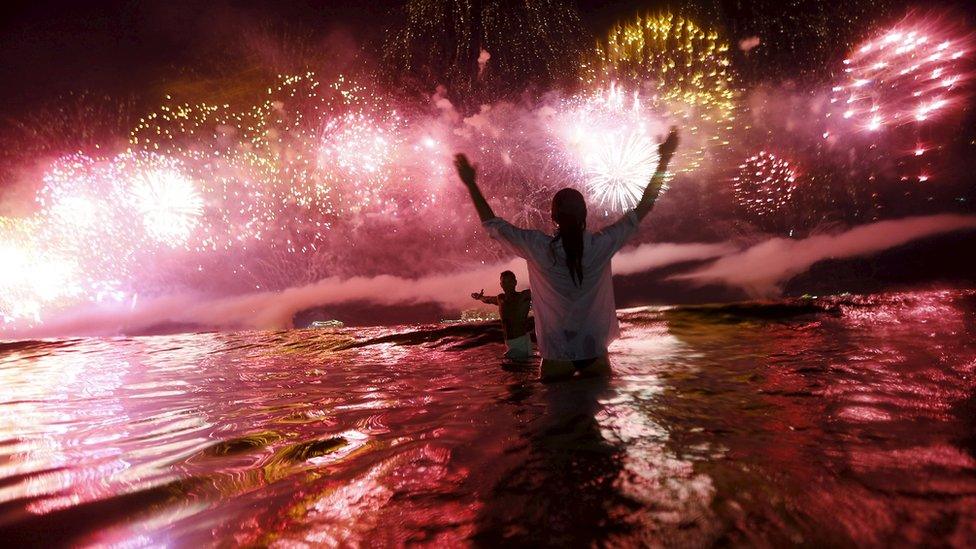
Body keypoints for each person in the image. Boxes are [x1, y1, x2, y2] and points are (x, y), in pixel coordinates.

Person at [454, 126, 679, 382]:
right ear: (584, 215)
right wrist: (665, 159)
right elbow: (644, 206)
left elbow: (493, 226)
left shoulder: (538, 247)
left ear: (553, 216)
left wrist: (471, 183)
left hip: (557, 353)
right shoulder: (600, 245)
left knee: (557, 419)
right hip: (593, 350)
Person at [471, 270, 533, 359]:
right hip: (508, 343)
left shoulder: (523, 296)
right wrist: (479, 297)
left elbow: (539, 289)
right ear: (501, 284)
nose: (507, 285)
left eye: (510, 282)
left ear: (515, 282)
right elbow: (487, 299)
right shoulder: (501, 298)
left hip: (521, 342)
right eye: (504, 282)